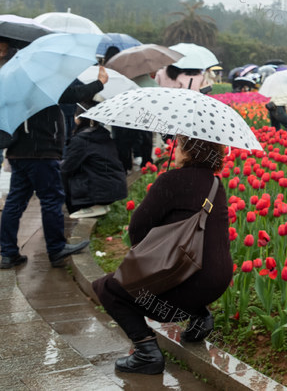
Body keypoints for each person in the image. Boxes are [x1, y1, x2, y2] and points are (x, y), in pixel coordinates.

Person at [92, 134, 232, 375]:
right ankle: (200, 317)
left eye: (178, 145)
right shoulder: (215, 184)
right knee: (181, 280)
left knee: (108, 288)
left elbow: (137, 227)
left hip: (188, 279)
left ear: (189, 151)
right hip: (218, 280)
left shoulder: (171, 180)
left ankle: (146, 352)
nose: (174, 150)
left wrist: (148, 259)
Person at [1, 66, 107, 270]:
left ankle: (8, 253)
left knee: (15, 201)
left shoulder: (11, 82)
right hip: (41, 151)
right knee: (51, 199)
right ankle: (56, 249)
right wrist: (100, 82)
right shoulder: (41, 80)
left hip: (18, 151)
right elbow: (73, 94)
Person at [61, 102, 128, 219]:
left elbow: (67, 168)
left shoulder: (81, 140)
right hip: (114, 188)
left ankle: (75, 210)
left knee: (64, 175)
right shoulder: (103, 135)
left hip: (97, 193)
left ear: (79, 119)